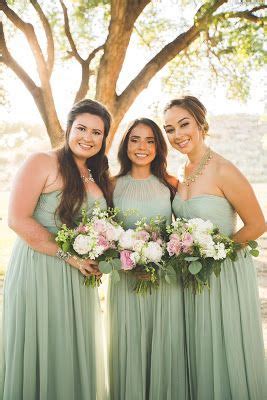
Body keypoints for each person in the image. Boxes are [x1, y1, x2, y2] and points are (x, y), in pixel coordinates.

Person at [0, 99, 112, 400]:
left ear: (104, 139)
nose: (88, 138)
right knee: (44, 343)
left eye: (97, 133)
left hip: (80, 276)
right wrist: (69, 257)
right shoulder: (42, 162)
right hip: (41, 269)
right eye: (82, 129)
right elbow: (17, 219)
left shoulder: (96, 173)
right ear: (68, 128)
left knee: (73, 345)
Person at [163, 95, 266, 400]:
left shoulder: (223, 169)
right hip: (192, 277)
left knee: (224, 344)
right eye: (169, 129)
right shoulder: (182, 172)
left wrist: (212, 252)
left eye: (184, 124)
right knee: (200, 346)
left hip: (224, 273)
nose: (177, 134)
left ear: (201, 124)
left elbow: (257, 224)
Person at [107, 118, 189, 400]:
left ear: (158, 147)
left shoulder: (171, 184)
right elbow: (105, 234)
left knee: (166, 347)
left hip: (166, 283)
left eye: (150, 141)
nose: (142, 147)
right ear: (125, 144)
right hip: (126, 282)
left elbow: (183, 234)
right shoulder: (111, 185)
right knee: (128, 346)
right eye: (135, 139)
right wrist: (123, 262)